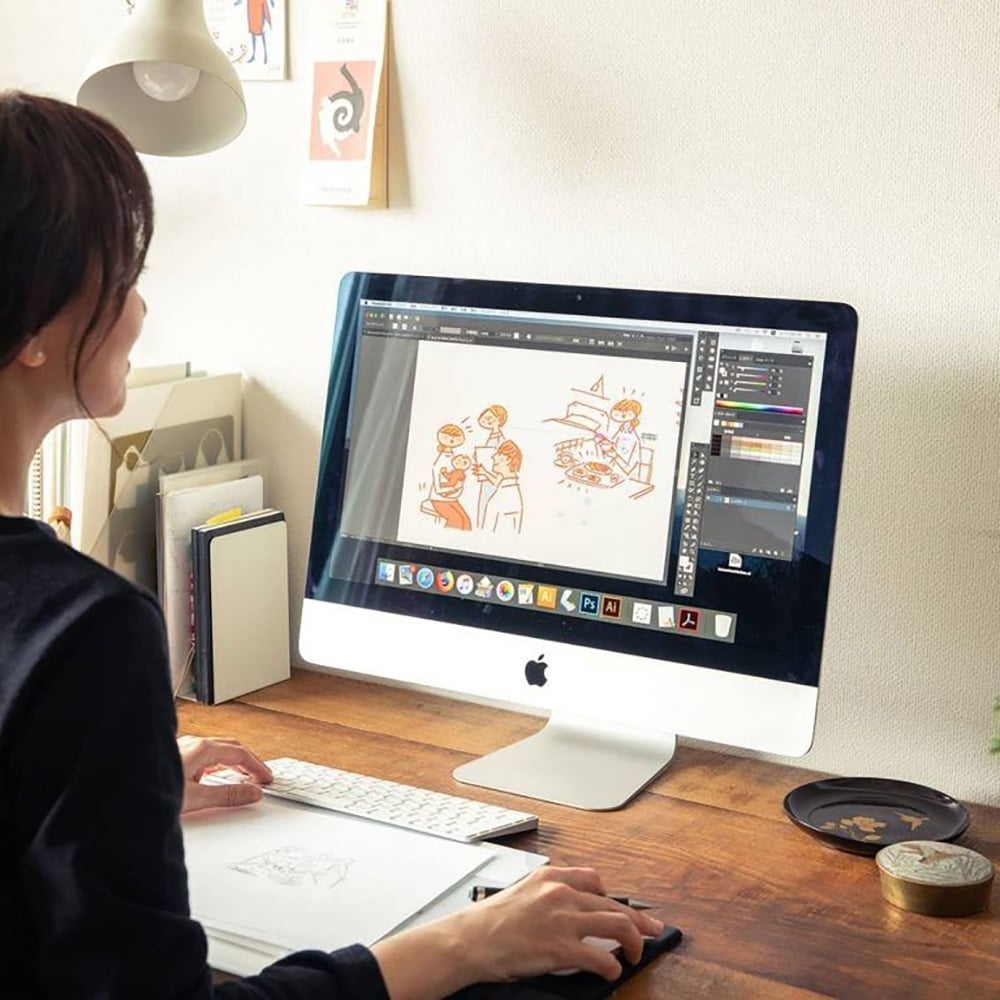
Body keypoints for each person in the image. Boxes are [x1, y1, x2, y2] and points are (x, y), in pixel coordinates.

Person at [0, 91, 662, 999]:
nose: (142, 307)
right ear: (34, 323)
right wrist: (464, 946)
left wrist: (119, 796)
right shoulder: (83, 630)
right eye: (119, 274)